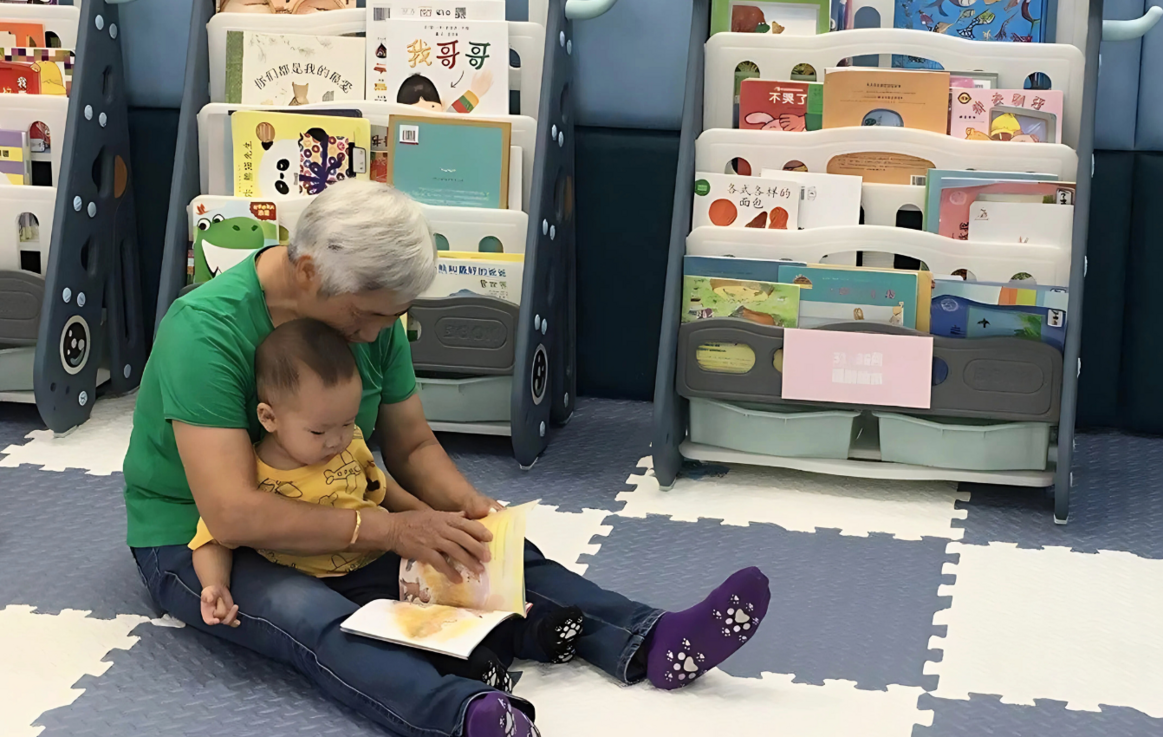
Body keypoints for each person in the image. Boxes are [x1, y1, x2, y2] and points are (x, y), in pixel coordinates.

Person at [124, 178, 771, 737]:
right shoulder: (205, 330)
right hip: (203, 543)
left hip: (342, 511)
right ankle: (464, 713)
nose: (377, 334)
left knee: (484, 553)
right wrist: (392, 527)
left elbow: (409, 444)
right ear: (308, 273)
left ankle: (650, 638)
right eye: (367, 316)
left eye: (392, 316)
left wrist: (467, 508)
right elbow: (232, 513)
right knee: (315, 617)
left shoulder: (366, 317)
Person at [189, 317, 583, 698]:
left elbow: (383, 491)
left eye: (346, 423)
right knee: (403, 629)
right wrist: (214, 586)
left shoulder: (350, 444)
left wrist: (429, 519)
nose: (336, 440)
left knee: (456, 582)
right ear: (269, 417)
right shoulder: (254, 474)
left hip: (380, 555)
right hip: (328, 585)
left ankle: (535, 630)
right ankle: (474, 668)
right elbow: (216, 536)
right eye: (319, 431)